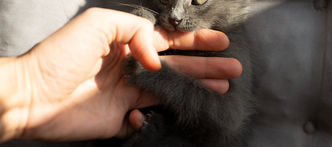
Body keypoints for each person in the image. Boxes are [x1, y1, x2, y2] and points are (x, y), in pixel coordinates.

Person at [0, 8, 242, 142]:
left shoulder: (233, 42)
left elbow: (225, 124)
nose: (175, 14)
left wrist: (28, 88)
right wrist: (30, 82)